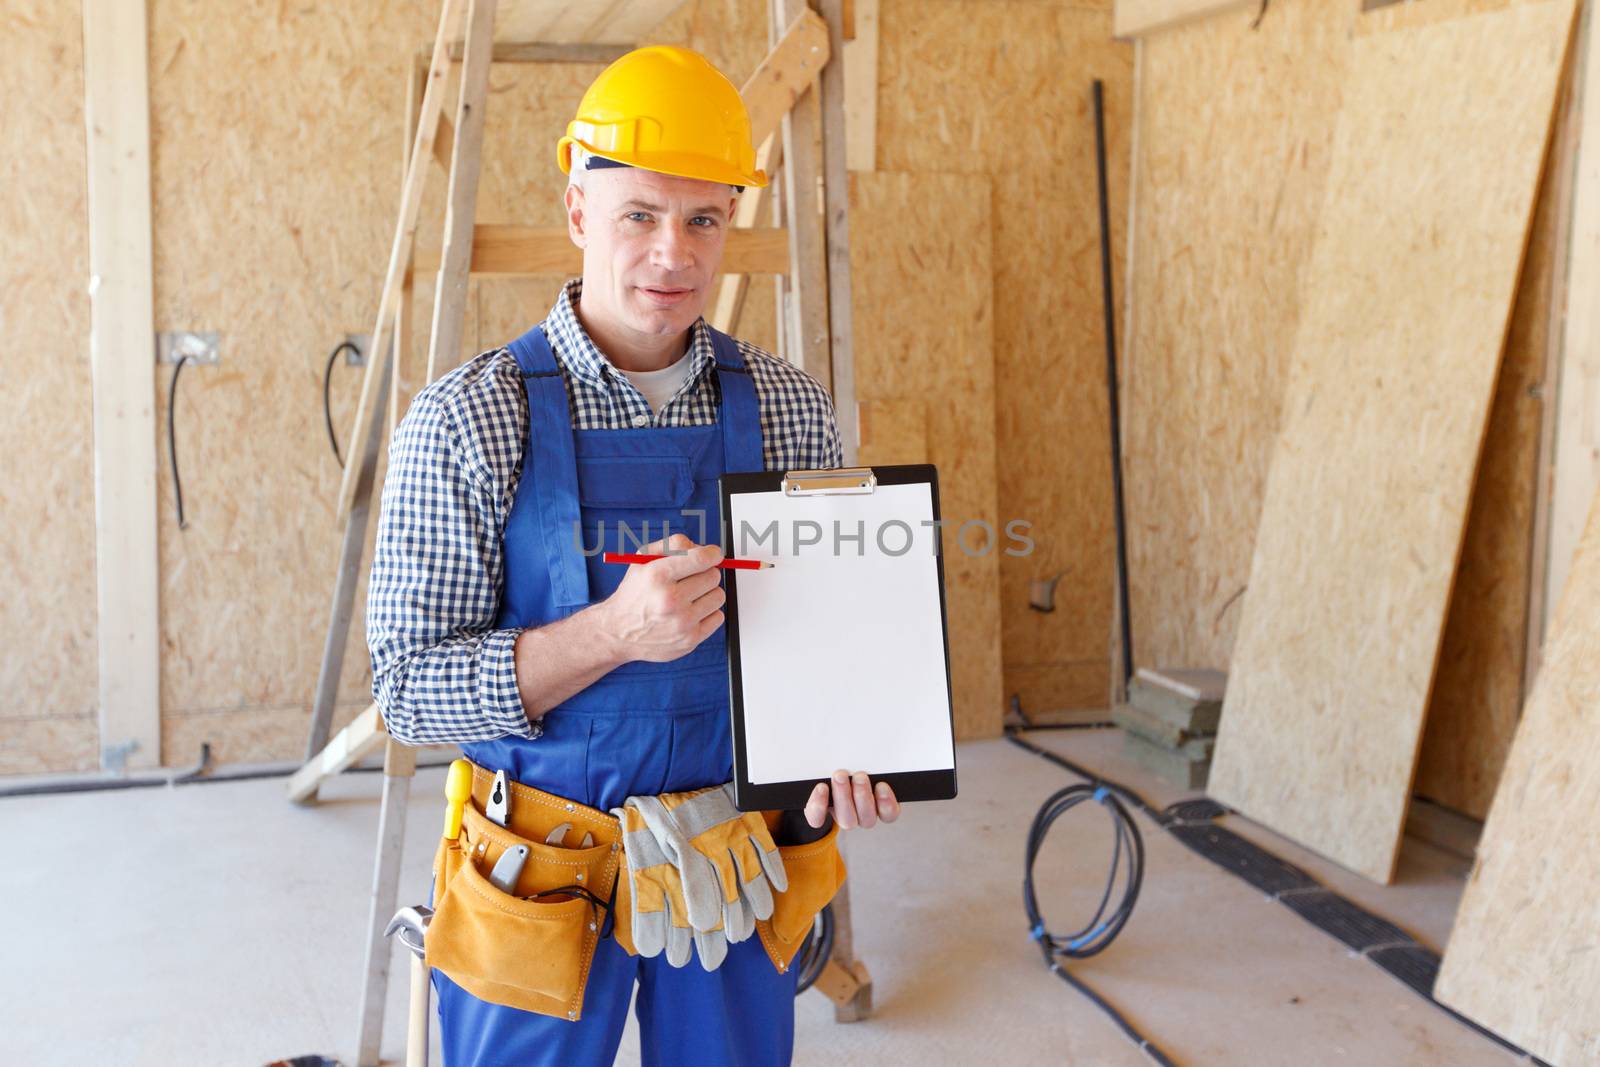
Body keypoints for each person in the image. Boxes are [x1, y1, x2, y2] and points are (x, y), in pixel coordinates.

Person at [365, 44, 897, 1066]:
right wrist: (612, 631)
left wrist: (853, 748)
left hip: (728, 865)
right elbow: (410, 692)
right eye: (640, 215)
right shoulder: (469, 419)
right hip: (539, 871)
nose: (674, 253)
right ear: (577, 214)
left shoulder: (789, 408)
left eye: (704, 218)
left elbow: (832, 648)